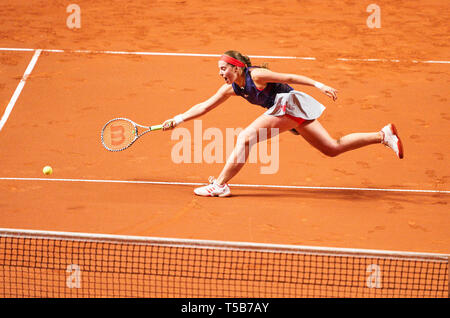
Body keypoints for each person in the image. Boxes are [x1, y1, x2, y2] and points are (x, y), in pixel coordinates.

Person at [162, 50, 404, 197]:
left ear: (236, 67)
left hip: (290, 104)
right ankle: (383, 135)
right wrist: (178, 119)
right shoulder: (232, 88)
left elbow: (289, 77)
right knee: (332, 148)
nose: (220, 72)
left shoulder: (255, 76)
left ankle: (220, 185)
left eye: (223, 68)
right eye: (219, 69)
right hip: (289, 111)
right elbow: (205, 106)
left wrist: (320, 85)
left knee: (245, 137)